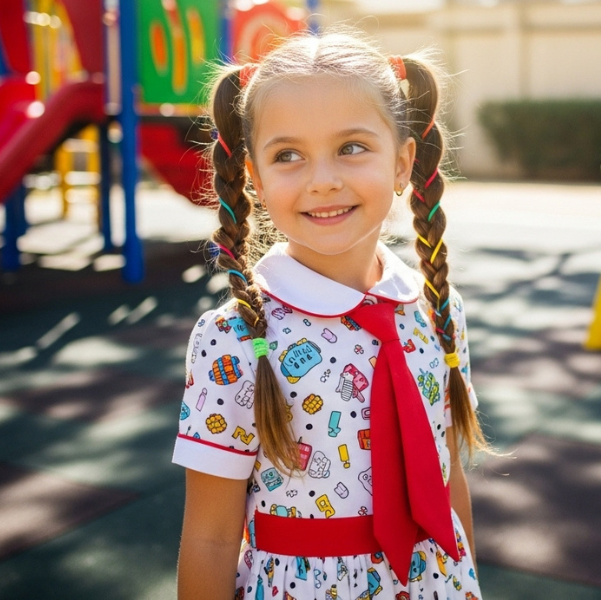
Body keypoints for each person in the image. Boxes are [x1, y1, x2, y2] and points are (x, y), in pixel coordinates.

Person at [173, 29, 488, 600]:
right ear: (254, 177)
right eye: (287, 155)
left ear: (402, 162)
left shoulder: (438, 310)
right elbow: (211, 537)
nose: (323, 180)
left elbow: (447, 481)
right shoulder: (235, 338)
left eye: (351, 147)